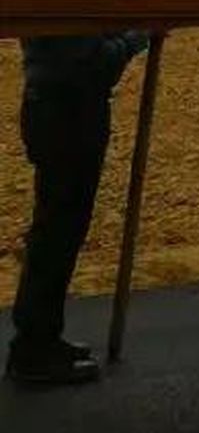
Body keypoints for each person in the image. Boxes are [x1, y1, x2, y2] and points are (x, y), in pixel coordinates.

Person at [6, 30, 150, 387]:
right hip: (67, 110)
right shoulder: (65, 7)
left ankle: (41, 337)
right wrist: (136, 38)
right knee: (57, 232)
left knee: (59, 229)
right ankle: (34, 348)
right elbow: (95, 63)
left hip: (60, 106)